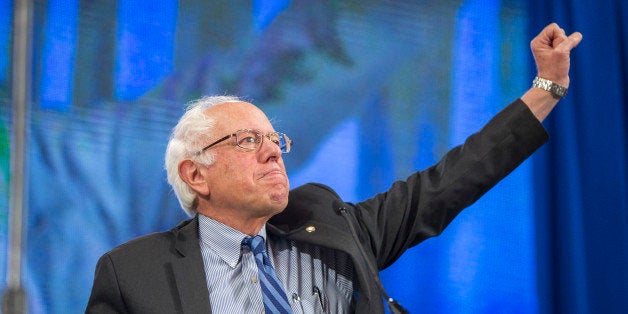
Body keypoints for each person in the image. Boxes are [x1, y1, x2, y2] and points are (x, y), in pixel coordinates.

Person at [86, 23, 582, 313]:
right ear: (196, 175)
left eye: (275, 139)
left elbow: (450, 181)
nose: (273, 151)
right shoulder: (133, 273)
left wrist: (547, 88)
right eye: (248, 141)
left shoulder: (329, 226)